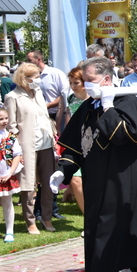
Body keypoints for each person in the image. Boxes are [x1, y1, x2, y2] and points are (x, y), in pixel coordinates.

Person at [51, 57, 137, 272]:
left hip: (122, 182)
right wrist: (64, 170)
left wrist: (110, 110)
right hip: (97, 179)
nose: (86, 86)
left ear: (107, 79)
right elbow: (76, 143)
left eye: (90, 81)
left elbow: (124, 136)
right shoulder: (90, 106)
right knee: (130, 232)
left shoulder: (127, 101)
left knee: (108, 230)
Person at [5, 63, 57, 234]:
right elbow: (11, 126)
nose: (38, 80)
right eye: (34, 76)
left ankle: (47, 218)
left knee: (49, 182)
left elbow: (45, 117)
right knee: (28, 185)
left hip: (46, 144)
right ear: (24, 77)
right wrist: (17, 150)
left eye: (38, 75)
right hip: (27, 146)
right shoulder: (13, 97)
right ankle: (30, 220)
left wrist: (53, 137)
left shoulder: (39, 94)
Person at [55, 67, 88, 213]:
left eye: (76, 82)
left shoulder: (94, 99)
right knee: (75, 179)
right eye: (71, 83)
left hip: (92, 144)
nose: (73, 86)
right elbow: (69, 121)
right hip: (75, 145)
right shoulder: (72, 98)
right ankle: (88, 218)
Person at [0, 104, 22, 244]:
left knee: (8, 203)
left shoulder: (10, 137)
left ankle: (9, 231)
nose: (4, 121)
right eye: (0, 119)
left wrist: (10, 172)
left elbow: (16, 155)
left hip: (6, 174)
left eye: (6, 118)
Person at [26, 50, 69, 122]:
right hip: (40, 116)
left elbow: (65, 93)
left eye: (29, 60)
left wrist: (48, 105)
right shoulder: (30, 77)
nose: (28, 63)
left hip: (57, 115)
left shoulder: (55, 73)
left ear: (38, 59)